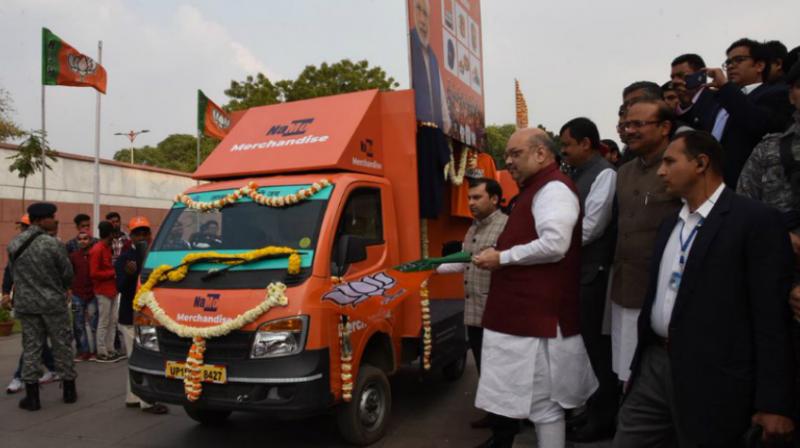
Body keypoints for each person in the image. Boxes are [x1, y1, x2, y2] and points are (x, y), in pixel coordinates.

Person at [613, 131, 796, 447]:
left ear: (701, 163)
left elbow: (771, 319)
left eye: (670, 162)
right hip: (655, 364)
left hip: (714, 375)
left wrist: (774, 402)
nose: (661, 171)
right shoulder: (671, 223)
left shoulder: (754, 221)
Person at [472, 128, 597, 448]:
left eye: (516, 153)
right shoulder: (536, 188)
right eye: (508, 155)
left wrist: (502, 257)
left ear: (541, 153)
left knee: (545, 407)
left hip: (535, 322)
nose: (508, 161)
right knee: (543, 407)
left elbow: (555, 244)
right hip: (525, 319)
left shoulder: (553, 189)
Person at [609, 98, 681, 384]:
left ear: (665, 127)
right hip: (625, 287)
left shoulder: (680, 168)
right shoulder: (624, 172)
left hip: (666, 290)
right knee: (627, 373)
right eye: (626, 124)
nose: (629, 131)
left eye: (638, 124)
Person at [559, 118, 619, 442]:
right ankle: (590, 410)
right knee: (582, 347)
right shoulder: (573, 174)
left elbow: (592, 226)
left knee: (598, 349)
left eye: (567, 144)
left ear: (586, 144)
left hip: (593, 274)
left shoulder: (605, 175)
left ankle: (604, 417)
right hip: (575, 272)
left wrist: (553, 241)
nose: (563, 151)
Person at [436, 177, 508, 429]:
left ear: (495, 199)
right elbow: (465, 260)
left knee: (502, 372)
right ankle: (494, 415)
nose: (471, 203)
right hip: (474, 314)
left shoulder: (506, 226)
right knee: (484, 368)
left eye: (477, 197)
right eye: (469, 198)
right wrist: (428, 268)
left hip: (498, 315)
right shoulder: (473, 228)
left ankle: (508, 423)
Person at [7, 202, 76, 411]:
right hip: (53, 304)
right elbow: (67, 274)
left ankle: (32, 398)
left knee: (31, 349)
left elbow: (13, 272)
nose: (55, 220)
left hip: (27, 306)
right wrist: (61, 287)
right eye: (51, 217)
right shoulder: (53, 244)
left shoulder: (14, 244)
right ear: (39, 220)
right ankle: (69, 392)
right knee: (62, 346)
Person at [703, 38, 794, 186]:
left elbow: (758, 123)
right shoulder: (721, 100)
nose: (731, 66)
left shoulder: (777, 93)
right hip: (709, 186)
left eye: (739, 60)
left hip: (748, 188)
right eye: (728, 62)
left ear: (759, 65)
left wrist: (726, 88)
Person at [115, 216, 169, 414]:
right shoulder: (125, 258)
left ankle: (132, 397)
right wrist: (129, 275)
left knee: (135, 358)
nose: (142, 236)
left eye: (144, 232)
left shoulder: (154, 256)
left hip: (148, 315)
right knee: (139, 358)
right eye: (137, 233)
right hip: (130, 316)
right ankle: (147, 401)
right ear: (131, 236)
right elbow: (119, 287)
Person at [3, 213, 59, 394]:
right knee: (36, 340)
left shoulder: (49, 244)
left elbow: (63, 272)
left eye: (24, 226)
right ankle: (53, 368)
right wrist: (6, 292)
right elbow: (9, 271)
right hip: (27, 302)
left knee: (32, 341)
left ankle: (20, 377)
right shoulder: (17, 246)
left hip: (45, 301)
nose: (21, 230)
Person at [409, 0, 451, 132]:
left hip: (435, 135)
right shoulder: (408, 45)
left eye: (425, 14)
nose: (422, 19)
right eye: (418, 9)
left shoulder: (433, 58)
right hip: (415, 132)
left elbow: (445, 116)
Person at [90, 221, 123, 363]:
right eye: (113, 233)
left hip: (112, 289)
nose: (115, 236)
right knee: (104, 322)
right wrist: (112, 273)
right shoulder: (97, 249)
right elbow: (93, 273)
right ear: (110, 234)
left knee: (113, 321)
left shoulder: (106, 248)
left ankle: (110, 349)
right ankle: (102, 351)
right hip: (103, 291)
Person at [69, 231, 97, 362]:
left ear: (90, 240)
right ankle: (83, 351)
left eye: (85, 239)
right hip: (76, 296)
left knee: (94, 324)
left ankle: (96, 351)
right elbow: (69, 275)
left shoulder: (94, 254)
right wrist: (69, 290)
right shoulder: (73, 257)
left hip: (92, 294)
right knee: (78, 323)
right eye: (80, 239)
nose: (83, 241)